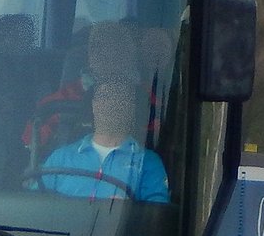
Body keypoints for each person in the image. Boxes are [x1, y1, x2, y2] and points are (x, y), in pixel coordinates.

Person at [35, 80, 169, 203]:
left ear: (131, 108)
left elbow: (156, 217)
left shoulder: (148, 162)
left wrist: (130, 212)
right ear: (93, 105)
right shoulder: (61, 157)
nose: (110, 105)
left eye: (119, 100)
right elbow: (33, 204)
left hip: (118, 229)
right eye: (104, 98)